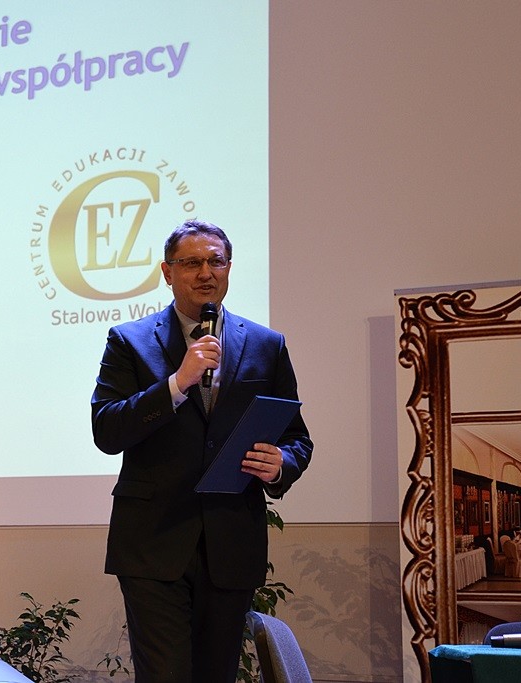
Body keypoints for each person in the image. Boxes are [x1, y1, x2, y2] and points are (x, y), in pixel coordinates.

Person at [91, 219, 313, 682]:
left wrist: (281, 464)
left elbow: (297, 438)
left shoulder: (267, 345)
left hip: (230, 543)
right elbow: (107, 430)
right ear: (167, 272)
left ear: (229, 268)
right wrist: (177, 383)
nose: (205, 272)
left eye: (216, 261)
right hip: (153, 543)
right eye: (191, 262)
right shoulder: (129, 340)